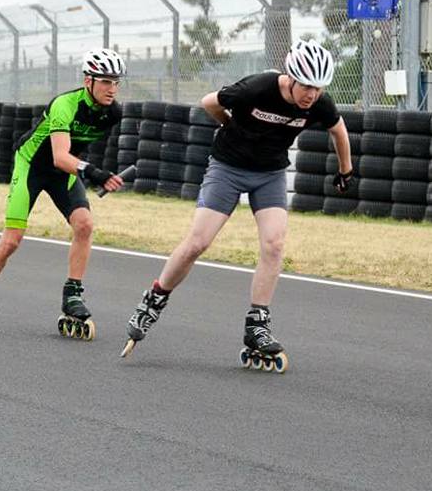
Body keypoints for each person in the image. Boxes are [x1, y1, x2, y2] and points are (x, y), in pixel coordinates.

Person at [120, 39, 354, 371]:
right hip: (228, 167)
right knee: (198, 242)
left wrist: (347, 170)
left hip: (270, 173)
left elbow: (339, 131)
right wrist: (229, 125)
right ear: (290, 77)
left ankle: (257, 324)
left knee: (274, 245)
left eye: (318, 89)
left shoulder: (318, 103)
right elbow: (208, 102)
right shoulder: (256, 89)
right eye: (306, 87)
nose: (311, 96)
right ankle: (154, 298)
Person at [0, 49, 126, 340]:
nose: (112, 89)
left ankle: (72, 294)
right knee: (12, 240)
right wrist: (94, 172)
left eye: (116, 82)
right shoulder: (64, 105)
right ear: (88, 81)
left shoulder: (113, 113)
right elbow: (59, 156)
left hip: (64, 172)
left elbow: (77, 152)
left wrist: (98, 176)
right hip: (32, 165)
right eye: (106, 81)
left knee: (84, 224)